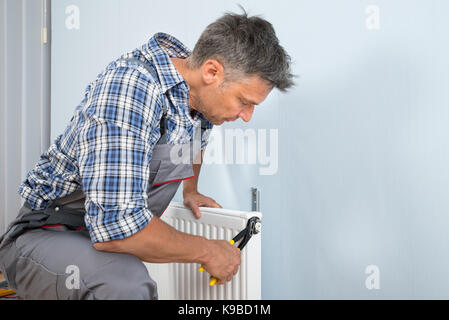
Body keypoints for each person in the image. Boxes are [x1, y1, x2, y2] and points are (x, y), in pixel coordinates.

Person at [0, 9, 294, 299]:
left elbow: (194, 140)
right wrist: (209, 251)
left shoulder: (196, 98)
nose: (247, 116)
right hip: (48, 232)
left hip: (94, 235)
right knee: (123, 283)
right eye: (244, 101)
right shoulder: (131, 89)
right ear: (212, 71)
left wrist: (191, 189)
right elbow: (115, 228)